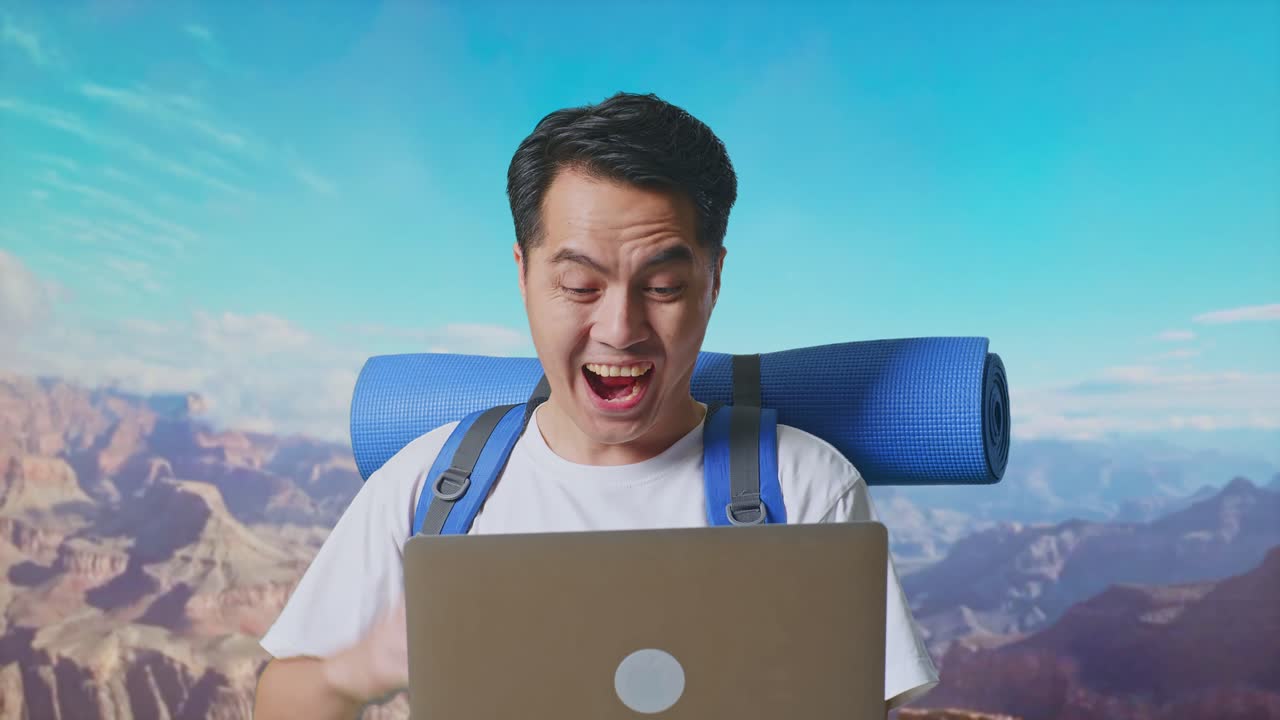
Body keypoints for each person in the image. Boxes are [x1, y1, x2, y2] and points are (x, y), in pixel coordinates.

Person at [252, 91, 939, 719]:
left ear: (715, 279)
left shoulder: (805, 488)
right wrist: (359, 669)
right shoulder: (429, 486)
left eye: (663, 286)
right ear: (523, 274)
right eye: (580, 286)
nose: (620, 327)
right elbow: (281, 700)